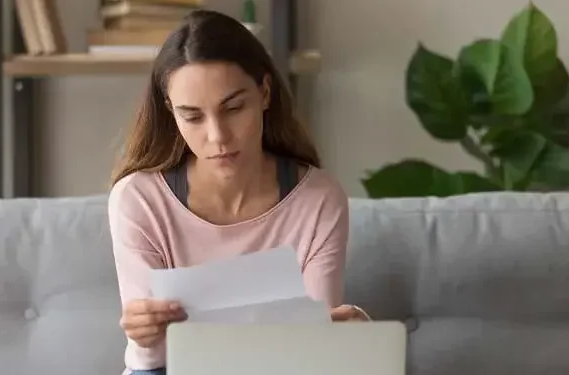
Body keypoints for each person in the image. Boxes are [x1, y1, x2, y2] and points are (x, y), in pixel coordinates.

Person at [107, 9, 371, 375]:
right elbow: (153, 361)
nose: (217, 137)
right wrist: (144, 337)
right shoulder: (139, 200)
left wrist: (351, 337)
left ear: (264, 93)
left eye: (233, 108)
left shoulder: (318, 200)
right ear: (171, 113)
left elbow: (311, 352)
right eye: (193, 116)